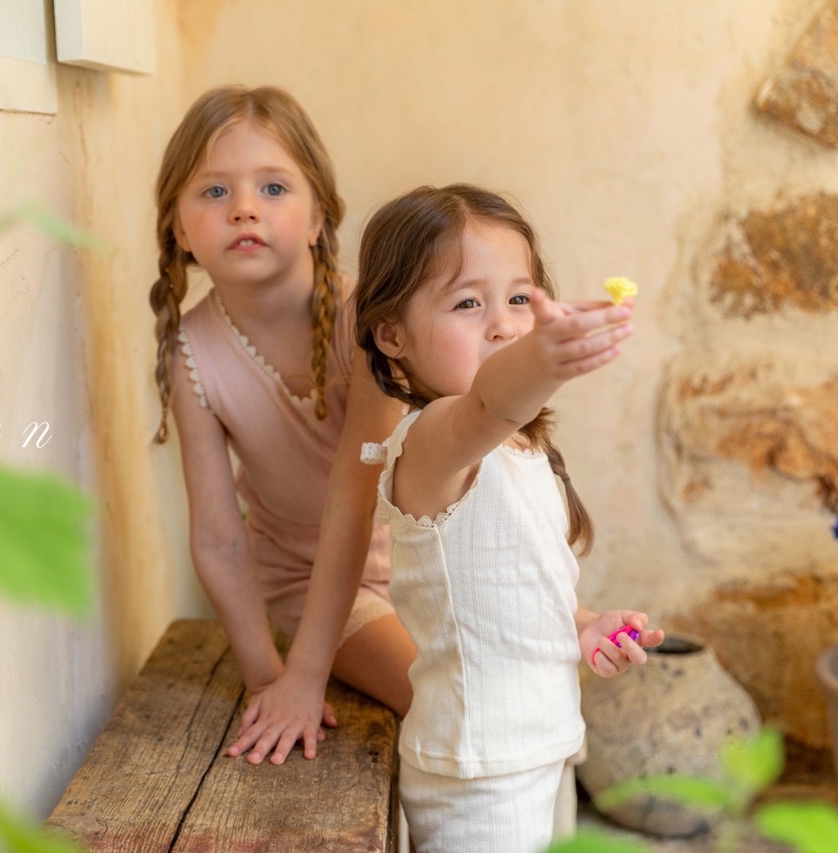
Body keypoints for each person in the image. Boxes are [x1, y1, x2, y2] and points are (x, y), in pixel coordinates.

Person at [352, 183, 665, 853]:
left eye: (520, 299)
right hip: (480, 777)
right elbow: (491, 402)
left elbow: (520, 592)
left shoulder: (522, 448)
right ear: (392, 335)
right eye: (468, 303)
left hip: (542, 744)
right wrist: (543, 358)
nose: (502, 324)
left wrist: (584, 626)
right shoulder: (431, 443)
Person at [149, 84, 415, 766]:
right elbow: (217, 538)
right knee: (437, 696)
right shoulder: (192, 351)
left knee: (520, 681)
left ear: (318, 215)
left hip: (427, 557)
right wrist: (274, 676)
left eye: (272, 187)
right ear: (178, 228)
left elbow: (357, 498)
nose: (243, 207)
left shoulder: (367, 322)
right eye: (214, 191)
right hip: (314, 583)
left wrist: (304, 674)